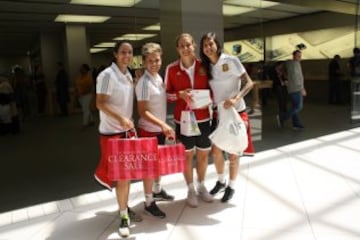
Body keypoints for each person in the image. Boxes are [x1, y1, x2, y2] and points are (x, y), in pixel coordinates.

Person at [95, 41, 161, 238]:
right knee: (122, 177)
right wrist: (121, 118)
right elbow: (100, 103)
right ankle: (124, 215)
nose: (127, 55)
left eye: (130, 52)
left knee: (128, 174)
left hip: (127, 132)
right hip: (111, 132)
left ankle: (124, 208)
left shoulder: (128, 75)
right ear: (115, 54)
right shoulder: (106, 75)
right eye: (123, 52)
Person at [200, 32, 255, 202]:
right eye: (205, 45)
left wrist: (236, 98)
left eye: (211, 44)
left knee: (233, 152)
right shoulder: (206, 66)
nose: (209, 48)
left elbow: (249, 83)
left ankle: (231, 186)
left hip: (236, 113)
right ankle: (221, 181)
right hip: (219, 114)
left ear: (217, 44)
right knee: (216, 151)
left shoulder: (231, 60)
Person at [165, 33, 214, 208]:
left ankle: (201, 185)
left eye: (188, 45)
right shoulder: (171, 69)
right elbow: (167, 96)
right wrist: (180, 95)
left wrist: (208, 100)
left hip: (203, 118)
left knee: (203, 155)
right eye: (181, 46)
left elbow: (213, 90)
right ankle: (190, 189)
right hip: (183, 120)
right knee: (187, 156)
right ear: (177, 49)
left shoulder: (205, 66)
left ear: (194, 46)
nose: (185, 49)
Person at [135, 42, 176, 205]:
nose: (154, 64)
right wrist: (164, 125)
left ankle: (157, 190)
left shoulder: (158, 77)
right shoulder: (144, 82)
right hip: (148, 131)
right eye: (150, 61)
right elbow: (143, 112)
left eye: (157, 60)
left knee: (158, 163)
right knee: (149, 168)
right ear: (144, 62)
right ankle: (148, 202)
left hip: (158, 129)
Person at [277, 50, 307, 130]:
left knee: (295, 106)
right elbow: (296, 77)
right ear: (293, 56)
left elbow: (280, 69)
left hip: (292, 88)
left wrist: (285, 80)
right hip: (296, 88)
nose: (300, 58)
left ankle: (296, 124)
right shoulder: (294, 64)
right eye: (298, 56)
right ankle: (282, 117)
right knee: (298, 106)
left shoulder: (290, 63)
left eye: (300, 56)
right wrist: (302, 88)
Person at [75, 63, 95, 129]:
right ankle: (91, 120)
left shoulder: (89, 77)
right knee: (86, 108)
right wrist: (77, 93)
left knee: (85, 109)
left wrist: (82, 93)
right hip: (80, 95)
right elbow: (77, 85)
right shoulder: (79, 77)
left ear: (86, 70)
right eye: (80, 68)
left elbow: (90, 88)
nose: (80, 69)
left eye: (82, 68)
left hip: (87, 95)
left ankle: (85, 124)